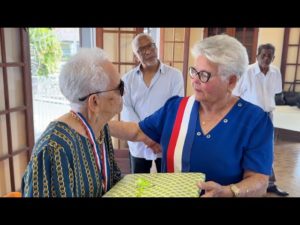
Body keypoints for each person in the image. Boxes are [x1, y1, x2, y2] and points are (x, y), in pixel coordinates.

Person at [109, 34, 274, 197]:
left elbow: (259, 181)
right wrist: (94, 123)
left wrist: (229, 191)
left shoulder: (255, 121)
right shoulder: (176, 108)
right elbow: (136, 131)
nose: (194, 80)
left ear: (231, 81)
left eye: (204, 75)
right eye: (194, 71)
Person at [22, 48, 123, 197]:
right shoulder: (54, 149)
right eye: (119, 88)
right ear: (94, 102)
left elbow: (112, 181)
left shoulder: (100, 128)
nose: (123, 93)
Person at [121, 33, 184, 174]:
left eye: (150, 45)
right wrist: (144, 136)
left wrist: (155, 138)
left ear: (156, 47)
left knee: (167, 185)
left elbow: (175, 108)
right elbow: (126, 109)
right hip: (138, 143)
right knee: (137, 185)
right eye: (141, 49)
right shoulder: (127, 80)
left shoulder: (175, 75)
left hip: (164, 141)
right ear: (135, 55)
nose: (148, 51)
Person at [233, 43, 289, 196]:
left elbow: (276, 93)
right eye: (263, 55)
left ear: (273, 57)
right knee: (244, 148)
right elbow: (235, 94)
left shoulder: (276, 72)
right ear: (257, 55)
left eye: (269, 56)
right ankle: (241, 182)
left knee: (267, 150)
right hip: (248, 116)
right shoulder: (247, 71)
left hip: (267, 116)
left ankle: (270, 183)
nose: (266, 58)